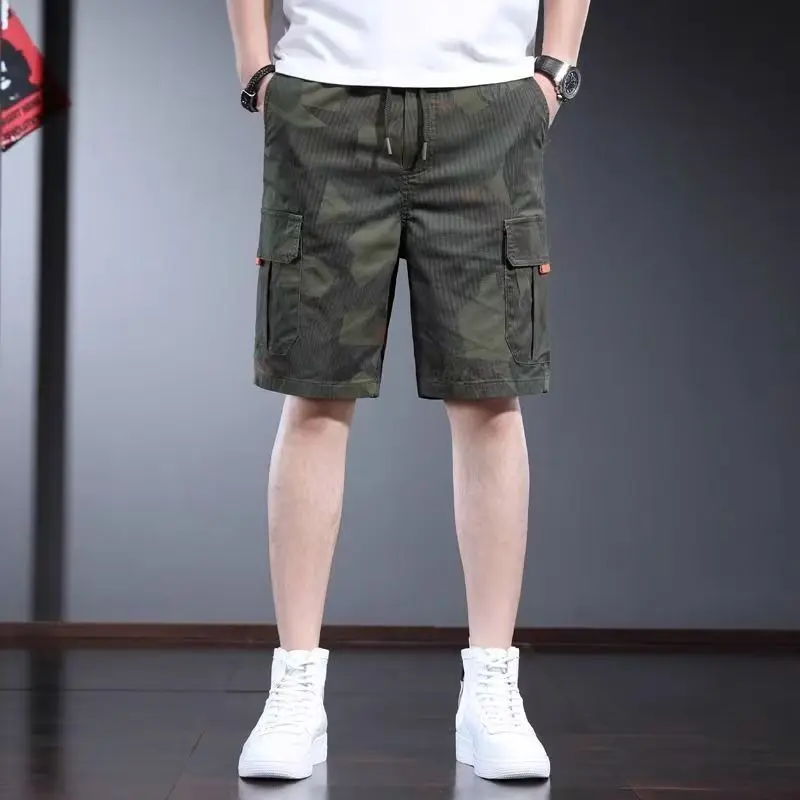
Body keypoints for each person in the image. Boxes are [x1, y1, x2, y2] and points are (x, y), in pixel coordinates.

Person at [227, 0, 590, 783]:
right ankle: (295, 688)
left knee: (490, 399)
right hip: (323, 102)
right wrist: (256, 67)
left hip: (488, 108)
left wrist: (555, 71)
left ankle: (492, 685)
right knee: (314, 395)